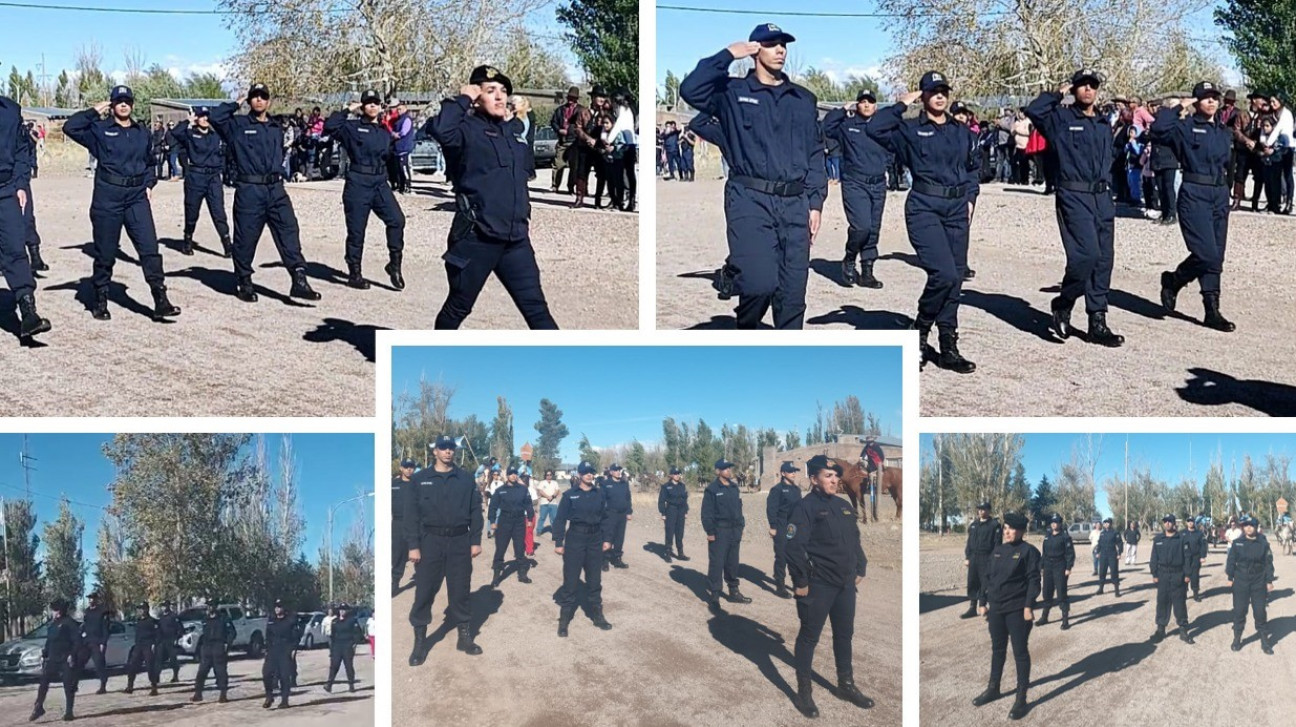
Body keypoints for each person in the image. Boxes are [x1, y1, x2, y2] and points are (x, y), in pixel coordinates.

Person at [679, 25, 827, 329]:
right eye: (771, 44)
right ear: (756, 49)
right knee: (759, 285)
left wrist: (816, 202)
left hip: (795, 202)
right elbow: (690, 89)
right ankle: (746, 330)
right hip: (750, 199)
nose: (780, 50)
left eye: (783, 44)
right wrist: (728, 55)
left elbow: (814, 151)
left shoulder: (803, 99)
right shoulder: (732, 92)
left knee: (792, 296)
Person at [431, 64, 557, 330]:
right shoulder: (464, 130)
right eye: (490, 91)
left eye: (503, 91)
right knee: (458, 308)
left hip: (515, 241)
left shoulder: (511, 133)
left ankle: (568, 370)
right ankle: (433, 363)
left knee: (537, 310)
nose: (500, 96)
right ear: (477, 97)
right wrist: (462, 97)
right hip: (477, 238)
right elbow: (441, 130)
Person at [884, 72, 978, 371]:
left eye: (943, 91)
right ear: (923, 96)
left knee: (955, 279)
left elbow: (974, 167)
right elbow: (875, 127)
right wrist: (902, 104)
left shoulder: (961, 131)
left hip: (956, 208)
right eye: (932, 91)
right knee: (944, 274)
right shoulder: (910, 130)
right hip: (924, 207)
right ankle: (920, 330)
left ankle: (948, 345)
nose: (939, 96)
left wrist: (971, 199)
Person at [63, 86, 181, 321]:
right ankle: (100, 298)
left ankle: (160, 299)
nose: (123, 105)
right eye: (118, 101)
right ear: (112, 105)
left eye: (127, 101)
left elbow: (150, 162)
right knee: (106, 252)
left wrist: (149, 184)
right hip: (109, 197)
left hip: (137, 196)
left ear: (133, 105)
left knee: (149, 249)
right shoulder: (99, 130)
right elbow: (71, 127)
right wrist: (95, 111)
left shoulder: (141, 132)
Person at [1026, 70, 1124, 347]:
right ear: (1074, 89)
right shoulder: (1060, 118)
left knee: (1104, 259)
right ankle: (1064, 301)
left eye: (1093, 86)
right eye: (1082, 86)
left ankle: (1098, 321)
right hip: (1074, 194)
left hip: (1102, 197)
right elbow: (1035, 109)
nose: (1088, 90)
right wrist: (1059, 91)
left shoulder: (1104, 122)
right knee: (1086, 256)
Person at [208, 83, 322, 303]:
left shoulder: (275, 127)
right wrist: (236, 102)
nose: (259, 100)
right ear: (250, 101)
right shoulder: (237, 125)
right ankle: (244, 281)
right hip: (250, 189)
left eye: (263, 97)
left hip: (276, 189)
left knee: (289, 230)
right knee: (246, 238)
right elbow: (216, 117)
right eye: (254, 97)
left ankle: (298, 278)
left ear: (269, 101)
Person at [785, 455, 872, 718]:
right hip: (818, 584)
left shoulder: (843, 505)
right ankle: (804, 693)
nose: (834, 480)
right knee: (809, 638)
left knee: (844, 635)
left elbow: (854, 538)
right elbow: (793, 547)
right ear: (814, 480)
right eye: (828, 476)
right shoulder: (804, 508)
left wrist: (860, 566)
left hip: (845, 585)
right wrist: (800, 582)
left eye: (835, 475)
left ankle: (845, 685)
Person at [1151, 83, 1236, 332]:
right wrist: (1180, 105)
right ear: (1196, 102)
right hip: (1194, 192)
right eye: (1205, 98)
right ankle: (1174, 280)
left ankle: (1212, 310)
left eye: (1214, 98)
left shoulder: (1223, 131)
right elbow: (1158, 128)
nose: (1211, 102)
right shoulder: (1184, 128)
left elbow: (1228, 164)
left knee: (1216, 255)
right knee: (1206, 252)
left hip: (1219, 194)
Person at [405, 435, 483, 665]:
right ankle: (420, 643)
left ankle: (464, 637)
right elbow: (411, 515)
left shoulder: (466, 479)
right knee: (425, 592)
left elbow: (475, 511)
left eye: (451, 448)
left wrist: (475, 540)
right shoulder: (420, 479)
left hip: (460, 540)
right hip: (430, 541)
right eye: (443, 448)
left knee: (460, 590)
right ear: (435, 451)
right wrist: (413, 546)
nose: (448, 452)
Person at [325, 90, 407, 290]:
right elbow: (330, 126)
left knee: (397, 220)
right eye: (368, 103)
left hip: (379, 182)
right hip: (358, 182)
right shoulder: (352, 128)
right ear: (362, 106)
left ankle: (394, 265)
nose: (372, 106)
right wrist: (346, 109)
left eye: (375, 103)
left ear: (380, 106)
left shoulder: (383, 131)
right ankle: (355, 273)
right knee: (357, 231)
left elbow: (388, 156)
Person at [823, 89, 902, 289]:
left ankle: (867, 271)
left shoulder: (883, 127)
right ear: (857, 104)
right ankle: (849, 258)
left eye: (870, 102)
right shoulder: (848, 126)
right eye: (862, 101)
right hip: (855, 183)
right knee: (861, 227)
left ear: (876, 105)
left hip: (877, 183)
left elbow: (898, 143)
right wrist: (841, 110)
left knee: (873, 229)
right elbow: (826, 126)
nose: (866, 105)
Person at [972, 511, 1039, 721]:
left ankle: (1021, 698)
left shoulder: (1029, 552)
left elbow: (1034, 581)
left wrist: (1029, 606)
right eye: (1005, 528)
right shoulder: (998, 550)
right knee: (997, 649)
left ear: (1021, 531)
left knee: (1020, 652)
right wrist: (982, 601)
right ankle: (994, 688)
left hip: (1017, 610)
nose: (1007, 532)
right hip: (997, 610)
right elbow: (987, 577)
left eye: (1011, 529)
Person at [0, 95, 51, 339]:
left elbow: (22, 150)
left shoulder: (10, 110)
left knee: (15, 249)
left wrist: (21, 183)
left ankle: (28, 311)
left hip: (5, 189)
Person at [553, 461, 614, 636]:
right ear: (579, 474)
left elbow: (606, 518)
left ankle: (597, 616)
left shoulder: (599, 494)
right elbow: (560, 519)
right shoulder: (570, 495)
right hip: (575, 539)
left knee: (594, 580)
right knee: (571, 580)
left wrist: (608, 539)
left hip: (595, 539)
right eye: (586, 472)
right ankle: (564, 620)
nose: (589, 475)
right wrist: (558, 542)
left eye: (591, 472)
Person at [168, 106, 233, 257]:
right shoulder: (190, 134)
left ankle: (227, 245)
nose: (204, 119)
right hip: (196, 176)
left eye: (206, 116)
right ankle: (187, 240)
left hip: (213, 178)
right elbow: (175, 133)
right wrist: (188, 121)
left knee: (219, 212)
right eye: (201, 116)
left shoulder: (215, 135)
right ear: (196, 118)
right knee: (192, 212)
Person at [701, 458, 751, 610]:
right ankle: (715, 595)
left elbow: (738, 509)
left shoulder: (734, 487)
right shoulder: (712, 489)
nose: (729, 470)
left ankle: (733, 591)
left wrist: (741, 527)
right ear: (718, 471)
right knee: (717, 563)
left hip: (734, 530)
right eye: (725, 468)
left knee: (732, 562)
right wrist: (710, 531)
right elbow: (706, 513)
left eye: (730, 468)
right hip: (719, 531)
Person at [1226, 515, 1275, 653]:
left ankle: (1265, 642)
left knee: (1260, 612)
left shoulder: (1263, 543)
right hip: (1241, 580)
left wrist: (1269, 580)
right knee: (1239, 611)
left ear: (1256, 526)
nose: (1248, 527)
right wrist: (1230, 577)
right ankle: (1237, 639)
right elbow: (1231, 561)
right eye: (1246, 525)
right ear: (1243, 527)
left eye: (1251, 525)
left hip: (1258, 580)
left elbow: (1268, 562)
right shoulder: (1237, 543)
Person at [30, 598, 81, 722]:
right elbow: (50, 641)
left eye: (55, 610)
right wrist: (45, 654)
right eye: (53, 610)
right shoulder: (52, 624)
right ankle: (39, 707)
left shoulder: (70, 623)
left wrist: (72, 654)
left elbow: (77, 641)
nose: (53, 612)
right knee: (43, 682)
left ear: (61, 610)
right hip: (52, 658)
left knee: (68, 685)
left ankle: (69, 712)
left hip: (66, 658)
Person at [1148, 514, 1195, 644]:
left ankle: (1183, 630)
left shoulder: (1182, 539)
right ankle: (1160, 630)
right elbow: (1154, 558)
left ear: (1174, 523)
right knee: (1162, 602)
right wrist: (1154, 574)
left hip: (1177, 574)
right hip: (1162, 574)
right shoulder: (1158, 539)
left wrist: (1187, 575)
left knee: (1179, 602)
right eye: (1165, 521)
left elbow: (1187, 558)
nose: (1168, 523)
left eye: (1170, 521)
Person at [489, 466, 535, 587]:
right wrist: (492, 521)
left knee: (520, 548)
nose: (513, 475)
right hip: (504, 521)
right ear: (507, 476)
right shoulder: (500, 490)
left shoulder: (523, 489)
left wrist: (530, 518)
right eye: (511, 474)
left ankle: (522, 574)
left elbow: (528, 504)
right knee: (501, 548)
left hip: (519, 521)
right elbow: (493, 507)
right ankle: (496, 575)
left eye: (515, 473)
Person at [766, 461, 803, 598]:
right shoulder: (777, 489)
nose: (793, 473)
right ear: (783, 473)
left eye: (794, 471)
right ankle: (780, 586)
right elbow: (771, 509)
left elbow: (800, 509)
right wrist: (773, 527)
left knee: (794, 555)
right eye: (790, 471)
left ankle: (796, 583)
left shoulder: (796, 489)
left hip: (793, 526)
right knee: (781, 556)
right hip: (781, 524)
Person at [961, 502, 1001, 618]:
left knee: (985, 582)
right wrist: (967, 557)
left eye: (983, 509)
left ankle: (983, 605)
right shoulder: (974, 525)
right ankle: (972, 607)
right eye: (979, 509)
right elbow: (969, 543)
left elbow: (997, 543)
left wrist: (995, 559)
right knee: (972, 581)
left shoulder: (994, 525)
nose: (980, 511)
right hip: (974, 557)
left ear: (989, 510)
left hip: (987, 557)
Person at [191, 599, 233, 703]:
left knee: (220, 672)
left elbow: (232, 632)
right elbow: (202, 634)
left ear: (216, 606)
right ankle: (198, 693)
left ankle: (223, 694)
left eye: (212, 605)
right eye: (208, 606)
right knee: (202, 671)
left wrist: (227, 644)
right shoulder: (205, 619)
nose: (210, 608)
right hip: (207, 648)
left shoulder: (223, 618)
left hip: (218, 646)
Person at [1037, 514, 1074, 629]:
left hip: (1060, 566)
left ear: (1060, 523)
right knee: (1047, 592)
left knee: (1061, 593)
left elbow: (1070, 554)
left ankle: (1065, 620)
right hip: (1048, 566)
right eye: (1052, 522)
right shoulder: (1047, 537)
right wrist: (1042, 567)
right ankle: (1044, 617)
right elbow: (1044, 553)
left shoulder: (1065, 537)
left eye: (1056, 522)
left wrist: (1068, 568)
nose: (1054, 524)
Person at [261, 599, 298, 708]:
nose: (277, 609)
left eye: (279, 607)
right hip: (273, 650)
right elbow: (268, 636)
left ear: (283, 608)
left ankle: (284, 700)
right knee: (266, 673)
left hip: (285, 650)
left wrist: (293, 650)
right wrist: (266, 649)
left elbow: (296, 637)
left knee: (284, 676)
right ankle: (269, 696)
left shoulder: (290, 620)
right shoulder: (271, 620)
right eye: (276, 607)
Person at [550, 86, 584, 194]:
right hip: (562, 140)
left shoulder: (581, 110)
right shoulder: (560, 110)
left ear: (576, 99)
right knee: (558, 164)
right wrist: (558, 130)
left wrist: (571, 132)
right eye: (569, 97)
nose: (570, 99)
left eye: (573, 98)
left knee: (574, 166)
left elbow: (582, 125)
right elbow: (553, 122)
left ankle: (571, 187)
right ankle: (555, 185)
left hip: (574, 141)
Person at [601, 463, 633, 570]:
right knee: (608, 536)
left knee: (620, 537)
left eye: (619, 470)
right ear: (611, 472)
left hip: (622, 514)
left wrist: (629, 512)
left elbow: (628, 499)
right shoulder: (605, 484)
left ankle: (617, 559)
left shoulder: (624, 483)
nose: (618, 472)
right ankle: (605, 560)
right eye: (615, 470)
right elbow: (602, 500)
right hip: (610, 514)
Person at [325, 602, 363, 692]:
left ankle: (351, 684)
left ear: (347, 611)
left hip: (347, 645)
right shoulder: (335, 621)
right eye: (341, 610)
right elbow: (333, 636)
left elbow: (358, 633)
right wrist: (332, 649)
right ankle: (329, 684)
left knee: (348, 666)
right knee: (334, 666)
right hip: (337, 646)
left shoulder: (352, 620)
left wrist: (354, 643)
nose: (342, 612)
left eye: (344, 610)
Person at [124, 601, 160, 695]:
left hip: (148, 645)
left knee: (150, 667)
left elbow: (157, 635)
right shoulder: (138, 621)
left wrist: (154, 645)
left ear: (147, 609)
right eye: (139, 609)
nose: (141, 611)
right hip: (138, 645)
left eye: (142, 608)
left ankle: (154, 687)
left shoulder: (152, 621)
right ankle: (130, 686)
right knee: (132, 665)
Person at [392, 457, 416, 595]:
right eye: (406, 467)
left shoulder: (418, 484)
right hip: (398, 523)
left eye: (411, 467)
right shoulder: (393, 484)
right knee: (398, 554)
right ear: (401, 468)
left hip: (415, 523)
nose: (409, 469)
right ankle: (395, 582)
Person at [658, 466, 690, 562]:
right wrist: (663, 513)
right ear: (671, 475)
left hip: (681, 511)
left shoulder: (682, 486)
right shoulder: (666, 486)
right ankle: (667, 553)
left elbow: (684, 500)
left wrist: (686, 511)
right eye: (675, 474)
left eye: (678, 474)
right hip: (671, 510)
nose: (677, 475)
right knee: (670, 532)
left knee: (680, 532)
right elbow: (661, 501)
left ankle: (680, 553)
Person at [389, 99, 416, 194]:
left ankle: (407, 186)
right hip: (397, 148)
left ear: (405, 108)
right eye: (398, 109)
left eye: (400, 109)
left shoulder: (407, 119)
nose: (399, 111)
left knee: (404, 168)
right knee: (398, 169)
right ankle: (401, 186)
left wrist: (395, 134)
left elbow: (404, 132)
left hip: (404, 147)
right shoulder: (398, 119)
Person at [157, 600, 183, 683]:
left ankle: (175, 676)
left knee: (173, 660)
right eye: (163, 606)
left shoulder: (173, 616)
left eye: (165, 605)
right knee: (159, 659)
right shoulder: (161, 617)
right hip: (162, 641)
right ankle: (157, 677)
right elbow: (159, 629)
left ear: (168, 606)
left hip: (171, 640)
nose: (164, 607)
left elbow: (180, 629)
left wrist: (177, 639)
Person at [1095, 517, 1123, 595]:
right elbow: (1099, 543)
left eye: (1107, 523)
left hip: (1112, 555)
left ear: (1110, 524)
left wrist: (1119, 553)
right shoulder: (1102, 533)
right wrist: (1098, 552)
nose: (1106, 524)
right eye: (1104, 523)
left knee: (1114, 572)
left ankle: (1117, 590)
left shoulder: (1115, 533)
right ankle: (1101, 589)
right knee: (1102, 572)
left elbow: (1120, 543)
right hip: (1103, 555)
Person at [1183, 516, 1208, 600]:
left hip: (1195, 558)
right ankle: (1184, 593)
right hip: (1184, 558)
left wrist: (1203, 556)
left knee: (1195, 576)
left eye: (1192, 521)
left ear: (1194, 522)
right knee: (1184, 576)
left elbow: (1203, 546)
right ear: (1186, 523)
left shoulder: (1199, 534)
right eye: (1189, 521)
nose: (1190, 522)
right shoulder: (1182, 533)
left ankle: (1195, 594)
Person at [535, 469, 561, 537]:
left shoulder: (555, 483)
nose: (549, 476)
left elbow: (557, 490)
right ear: (545, 475)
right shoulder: (542, 482)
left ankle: (555, 532)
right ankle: (539, 530)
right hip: (544, 503)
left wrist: (552, 496)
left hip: (553, 503)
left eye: (550, 475)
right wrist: (547, 496)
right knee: (542, 517)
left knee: (554, 518)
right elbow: (540, 491)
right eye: (547, 475)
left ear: (552, 475)